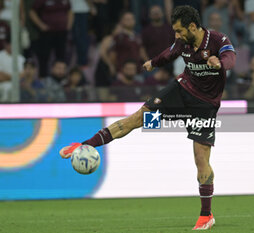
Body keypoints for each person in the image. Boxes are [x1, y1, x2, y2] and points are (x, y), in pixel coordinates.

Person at [59, 5, 236, 230]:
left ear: (193, 26)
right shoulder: (182, 42)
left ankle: (206, 215)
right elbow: (170, 52)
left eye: (180, 31)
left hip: (204, 107)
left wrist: (220, 63)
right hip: (179, 93)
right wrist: (154, 62)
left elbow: (230, 57)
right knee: (136, 119)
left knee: (201, 160)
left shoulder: (218, 39)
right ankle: (83, 145)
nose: (177, 35)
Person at [30, 0, 73, 78]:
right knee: (44, 56)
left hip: (61, 31)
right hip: (47, 32)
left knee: (61, 57)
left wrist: (69, 26)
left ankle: (61, 78)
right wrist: (41, 25)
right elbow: (32, 12)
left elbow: (70, 11)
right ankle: (43, 77)